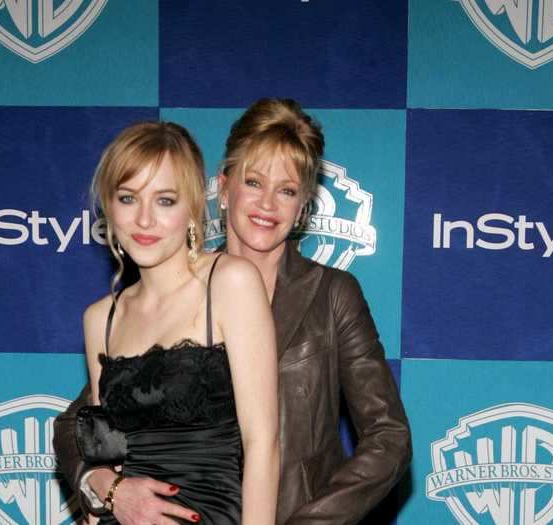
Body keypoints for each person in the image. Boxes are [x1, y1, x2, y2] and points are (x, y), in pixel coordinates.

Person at [54, 99, 411, 524]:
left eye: (288, 190)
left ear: (303, 208)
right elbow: (79, 424)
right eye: (254, 182)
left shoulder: (333, 294)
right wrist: (109, 487)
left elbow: (389, 437)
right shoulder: (168, 291)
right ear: (223, 189)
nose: (268, 204)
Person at [71, 121, 279, 525]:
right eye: (128, 198)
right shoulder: (101, 318)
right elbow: (104, 455)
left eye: (164, 200)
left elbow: (263, 443)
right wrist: (106, 494)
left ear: (193, 207)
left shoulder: (230, 282)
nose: (144, 220)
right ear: (108, 207)